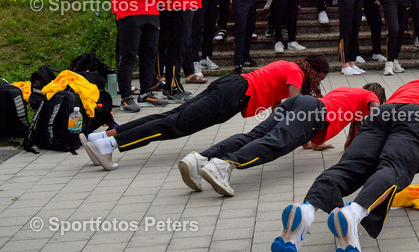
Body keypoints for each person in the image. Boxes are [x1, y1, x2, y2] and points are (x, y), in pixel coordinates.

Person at [271, 77, 419, 252]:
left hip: (382, 113)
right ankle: (353, 214)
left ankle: (307, 209)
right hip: (418, 118)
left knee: (348, 167)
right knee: (394, 168)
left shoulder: (412, 84)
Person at [81, 56, 331, 171]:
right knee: (174, 125)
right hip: (233, 96)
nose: (317, 83)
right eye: (319, 78)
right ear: (313, 70)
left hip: (231, 85)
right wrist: (304, 134)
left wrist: (306, 143)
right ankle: (110, 144)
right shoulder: (296, 72)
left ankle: (102, 138)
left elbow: (281, 108)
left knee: (170, 117)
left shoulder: (287, 66)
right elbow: (295, 105)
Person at [179, 83, 385, 197]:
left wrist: (313, 144)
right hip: (313, 113)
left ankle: (199, 160)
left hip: (299, 102)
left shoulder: (346, 91)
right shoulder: (368, 95)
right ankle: (224, 165)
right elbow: (377, 111)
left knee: (254, 135)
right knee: (275, 142)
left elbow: (316, 122)